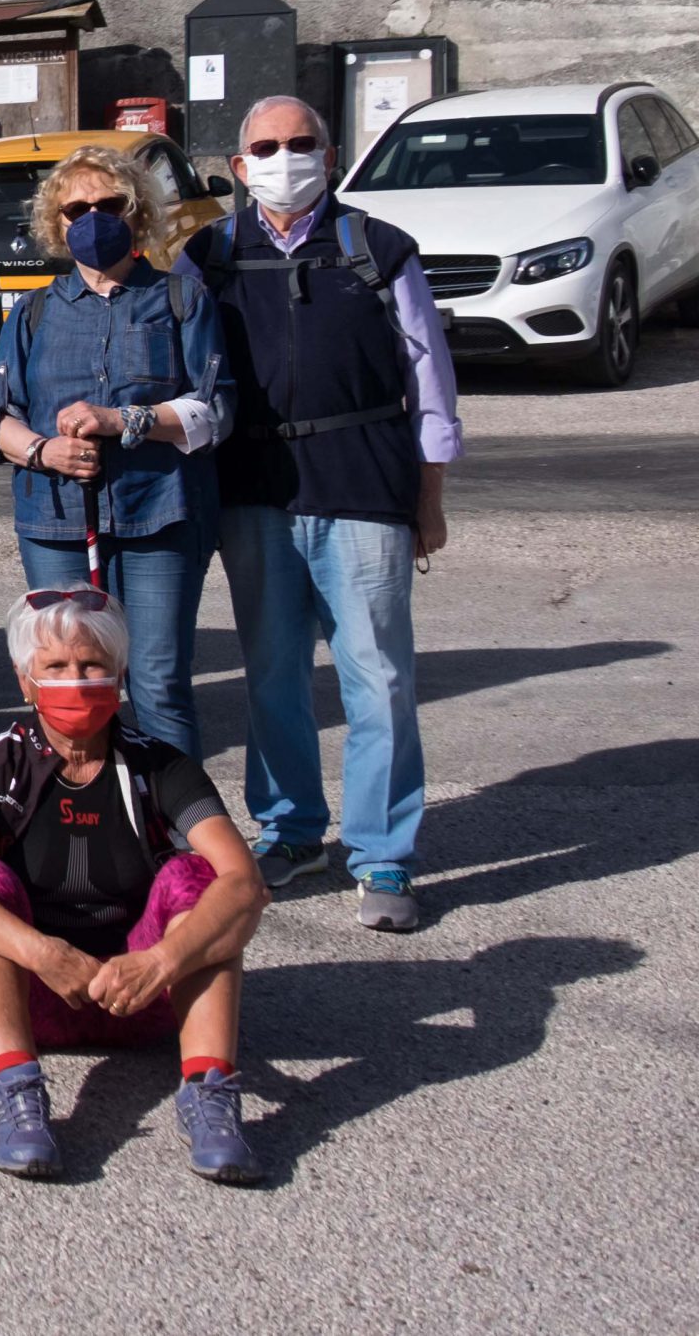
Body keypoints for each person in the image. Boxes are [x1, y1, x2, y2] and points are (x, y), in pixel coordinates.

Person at [175, 95, 461, 933]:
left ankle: (383, 854)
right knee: (273, 674)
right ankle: (292, 830)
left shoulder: (378, 250)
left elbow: (430, 382)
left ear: (330, 155)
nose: (285, 157)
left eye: (302, 143)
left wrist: (428, 500)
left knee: (380, 678)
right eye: (266, 145)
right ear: (238, 165)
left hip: (364, 487)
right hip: (255, 493)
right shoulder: (210, 257)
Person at [0, 589, 269, 1183]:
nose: (75, 681)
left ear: (120, 676)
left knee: (197, 879)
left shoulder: (162, 766)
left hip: (144, 992)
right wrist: (43, 954)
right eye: (55, 667)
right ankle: (17, 1089)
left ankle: (210, 1094)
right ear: (25, 681)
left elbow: (245, 884)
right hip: (31, 991)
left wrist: (161, 961)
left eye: (92, 665)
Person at [0, 146, 233, 758]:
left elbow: (215, 411)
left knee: (158, 683)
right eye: (76, 209)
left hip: (160, 513)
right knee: (69, 683)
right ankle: (78, 824)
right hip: (56, 524)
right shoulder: (35, 310)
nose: (93, 217)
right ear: (56, 224)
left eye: (109, 204)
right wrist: (43, 452)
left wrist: (124, 420)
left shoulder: (180, 301)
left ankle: (171, 832)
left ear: (136, 210)